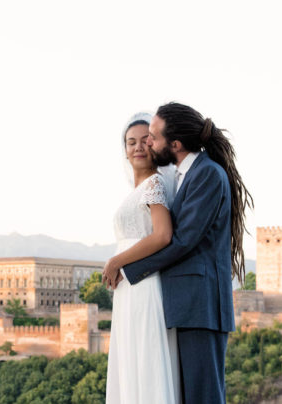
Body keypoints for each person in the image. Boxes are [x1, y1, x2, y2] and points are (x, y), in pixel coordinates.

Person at [113, 102, 254, 404]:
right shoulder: (185, 176)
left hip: (202, 306)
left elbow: (182, 241)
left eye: (153, 136)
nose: (148, 143)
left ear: (174, 144)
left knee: (204, 397)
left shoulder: (207, 175)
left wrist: (128, 269)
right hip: (187, 303)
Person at [104, 112, 181, 404]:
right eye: (130, 142)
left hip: (145, 286)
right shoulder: (137, 191)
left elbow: (163, 235)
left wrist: (116, 262)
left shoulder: (154, 185)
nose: (137, 147)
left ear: (155, 145)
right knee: (132, 359)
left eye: (144, 140)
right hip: (130, 290)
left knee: (145, 357)